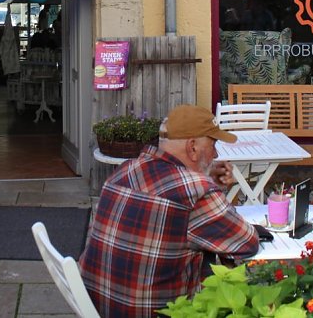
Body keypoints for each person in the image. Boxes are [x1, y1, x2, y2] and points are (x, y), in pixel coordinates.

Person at [79, 105, 260, 317]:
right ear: (192, 147)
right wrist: (210, 186)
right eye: (213, 144)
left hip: (99, 306)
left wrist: (208, 180)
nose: (216, 153)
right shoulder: (196, 190)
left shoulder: (124, 171)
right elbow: (246, 242)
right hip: (156, 311)